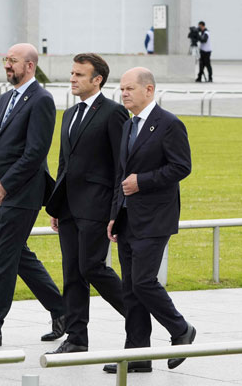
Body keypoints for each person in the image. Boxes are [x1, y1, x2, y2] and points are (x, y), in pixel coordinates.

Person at [0, 43, 65, 349]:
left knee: (5, 256)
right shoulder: (5, 98)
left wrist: (5, 185)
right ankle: (63, 311)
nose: (7, 65)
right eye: (6, 60)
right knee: (18, 256)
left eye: (13, 61)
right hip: (0, 193)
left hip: (23, 193)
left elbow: (35, 153)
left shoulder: (42, 100)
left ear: (30, 65)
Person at [103, 67, 195, 374]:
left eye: (130, 88)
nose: (124, 93)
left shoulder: (169, 124)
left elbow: (181, 167)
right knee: (130, 288)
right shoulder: (129, 126)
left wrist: (143, 181)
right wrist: (115, 215)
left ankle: (180, 329)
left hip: (156, 217)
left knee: (143, 282)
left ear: (149, 90)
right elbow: (120, 176)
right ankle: (137, 355)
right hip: (128, 218)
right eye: (122, 89)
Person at [44, 53, 127, 354]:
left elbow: (122, 166)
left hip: (97, 206)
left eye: (79, 75)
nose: (72, 79)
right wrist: (57, 204)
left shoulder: (114, 113)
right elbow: (64, 162)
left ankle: (137, 315)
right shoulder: (68, 113)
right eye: (72, 73)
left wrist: (116, 211)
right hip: (68, 207)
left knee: (92, 267)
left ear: (97, 80)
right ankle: (76, 338)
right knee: (72, 274)